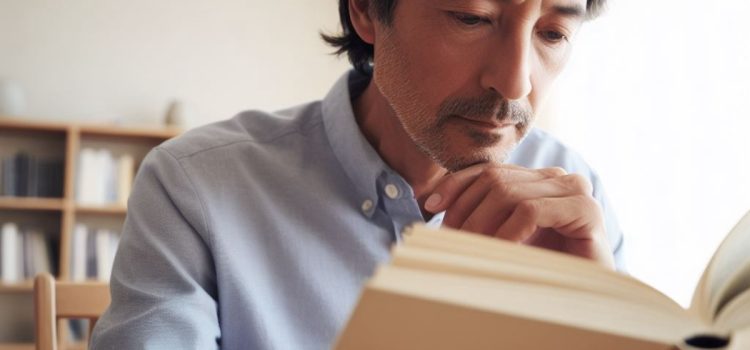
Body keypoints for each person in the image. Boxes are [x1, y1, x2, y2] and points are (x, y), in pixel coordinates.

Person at [91, 0, 624, 348]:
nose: (513, 83)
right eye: (472, 17)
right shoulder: (195, 188)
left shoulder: (576, 200)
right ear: (368, 11)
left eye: (552, 35)